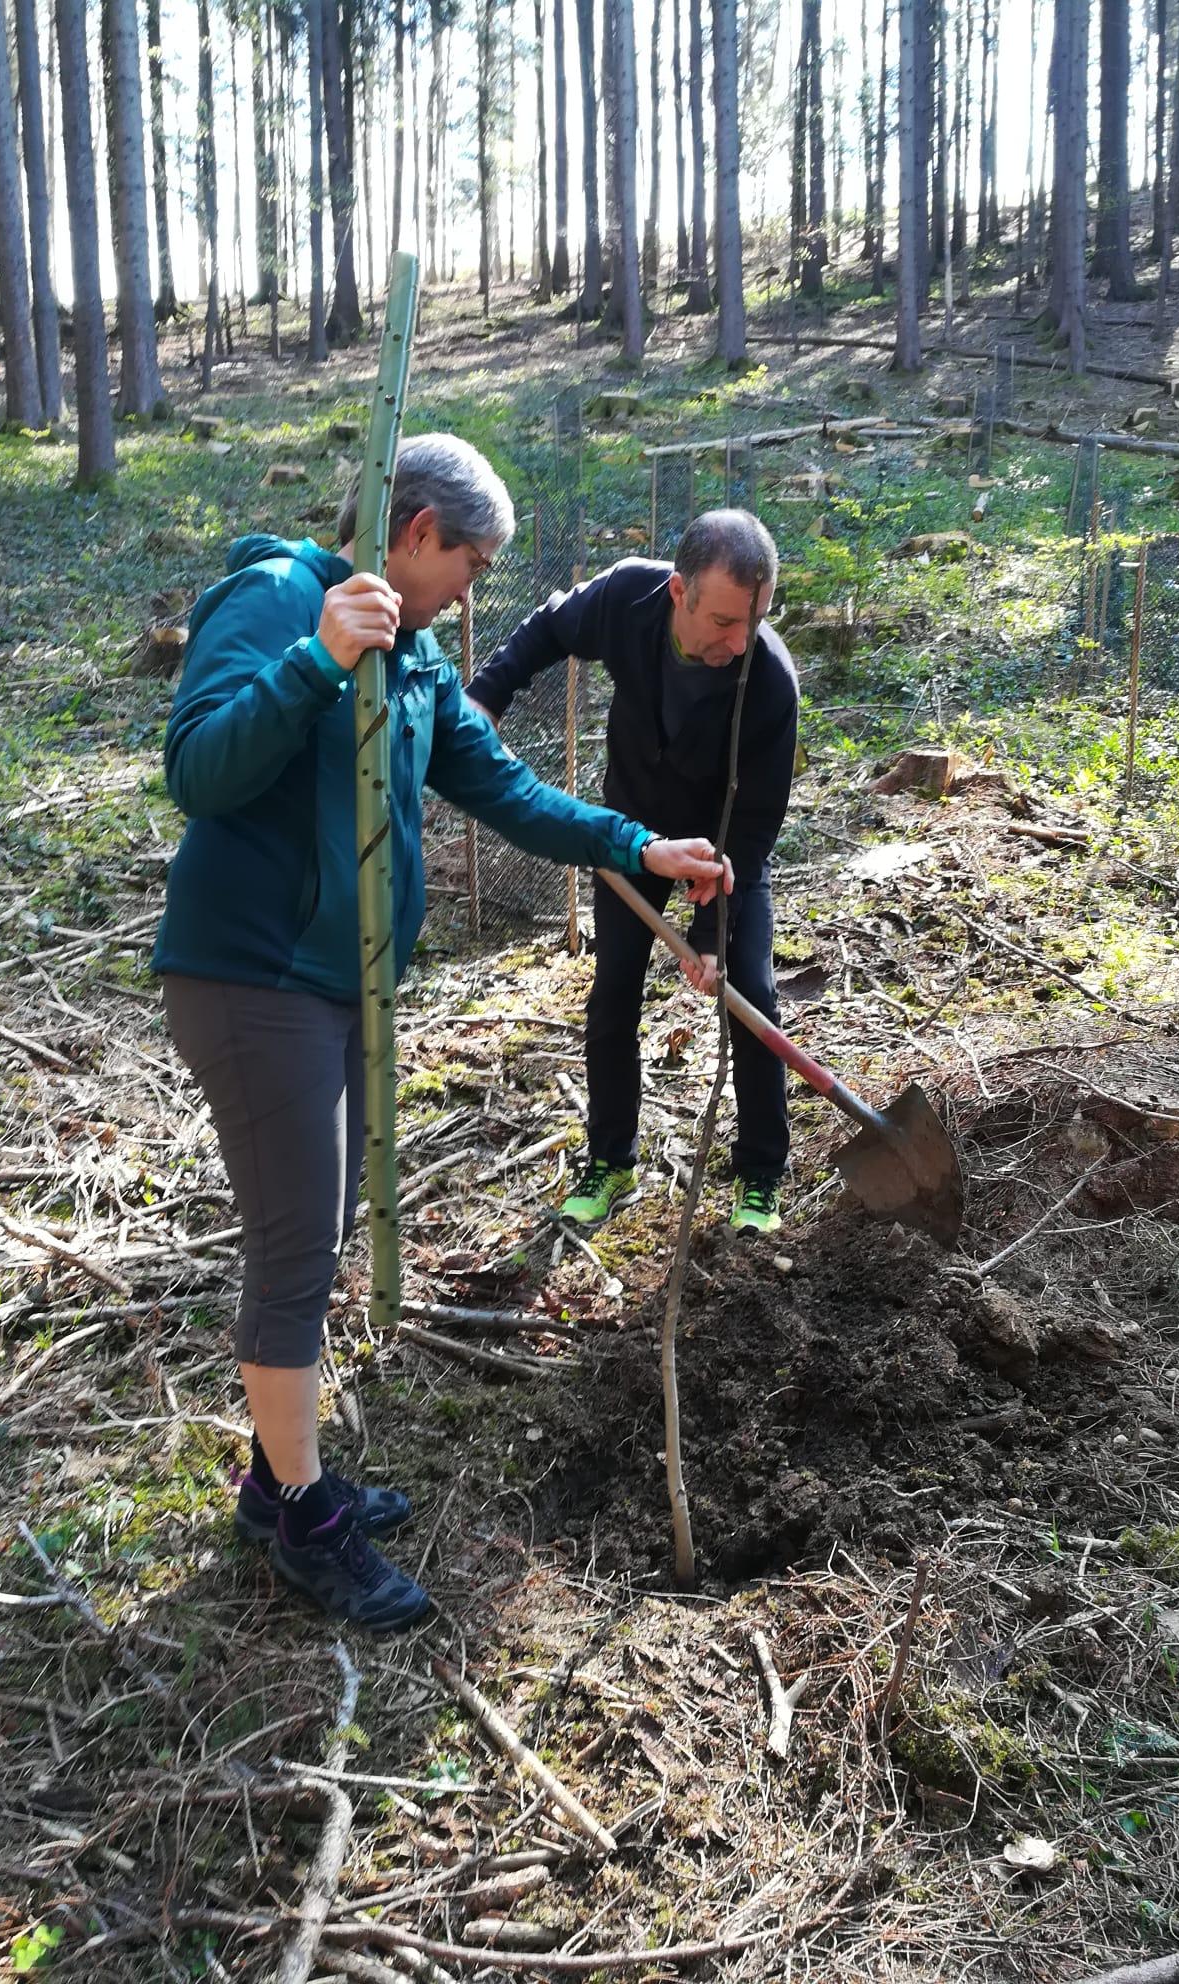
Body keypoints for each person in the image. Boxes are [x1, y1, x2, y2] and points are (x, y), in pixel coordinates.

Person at [152, 434, 730, 1631]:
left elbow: (505, 786)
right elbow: (199, 771)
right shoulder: (275, 601)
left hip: (339, 988)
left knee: (318, 1223)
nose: (477, 589)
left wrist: (636, 845)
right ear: (415, 530)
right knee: (297, 1246)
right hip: (251, 977)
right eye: (470, 559)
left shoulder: (410, 658)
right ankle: (307, 1524)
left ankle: (278, 1483)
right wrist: (316, 661)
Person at [466, 511, 798, 1238]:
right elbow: (548, 629)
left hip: (723, 850)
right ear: (679, 592)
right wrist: (486, 695)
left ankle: (760, 1178)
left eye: (754, 620)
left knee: (753, 996)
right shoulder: (627, 599)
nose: (739, 641)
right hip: (636, 837)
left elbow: (755, 824)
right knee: (613, 990)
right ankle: (612, 1161)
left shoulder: (769, 681)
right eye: (722, 621)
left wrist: (712, 931)